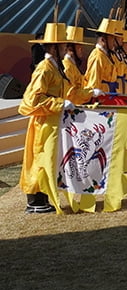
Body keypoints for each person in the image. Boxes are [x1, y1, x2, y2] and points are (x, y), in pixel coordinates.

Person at [20, 21, 95, 213]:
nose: (66, 48)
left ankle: (45, 198)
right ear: (53, 47)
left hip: (55, 122)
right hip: (44, 123)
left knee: (51, 160)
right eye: (63, 45)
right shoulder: (44, 69)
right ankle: (35, 201)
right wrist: (59, 104)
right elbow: (30, 102)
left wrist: (89, 94)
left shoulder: (56, 67)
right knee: (40, 160)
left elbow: (69, 93)